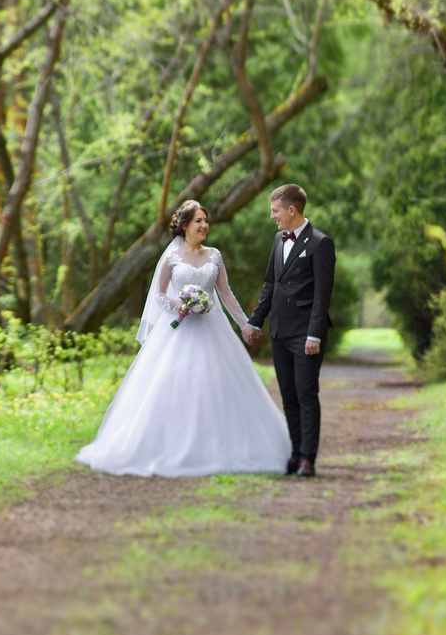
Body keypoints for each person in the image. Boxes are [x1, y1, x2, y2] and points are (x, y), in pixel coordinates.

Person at [75, 200, 290, 476]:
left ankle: (221, 445)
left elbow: (226, 295)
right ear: (185, 226)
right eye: (198, 221)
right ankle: (169, 445)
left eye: (206, 220)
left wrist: (246, 325)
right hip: (178, 330)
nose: (204, 226)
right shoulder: (171, 258)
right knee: (174, 383)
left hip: (213, 329)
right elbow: (158, 295)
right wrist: (178, 305)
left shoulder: (214, 255)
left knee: (215, 384)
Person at [243, 183, 335, 477]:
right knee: (288, 395)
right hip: (280, 331)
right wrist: (256, 321)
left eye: (275, 210)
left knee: (306, 393)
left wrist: (314, 334)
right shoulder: (278, 239)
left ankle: (308, 458)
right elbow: (271, 283)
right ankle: (295, 454)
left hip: (305, 333)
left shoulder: (320, 243)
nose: (273, 216)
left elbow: (323, 294)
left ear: (291, 210)